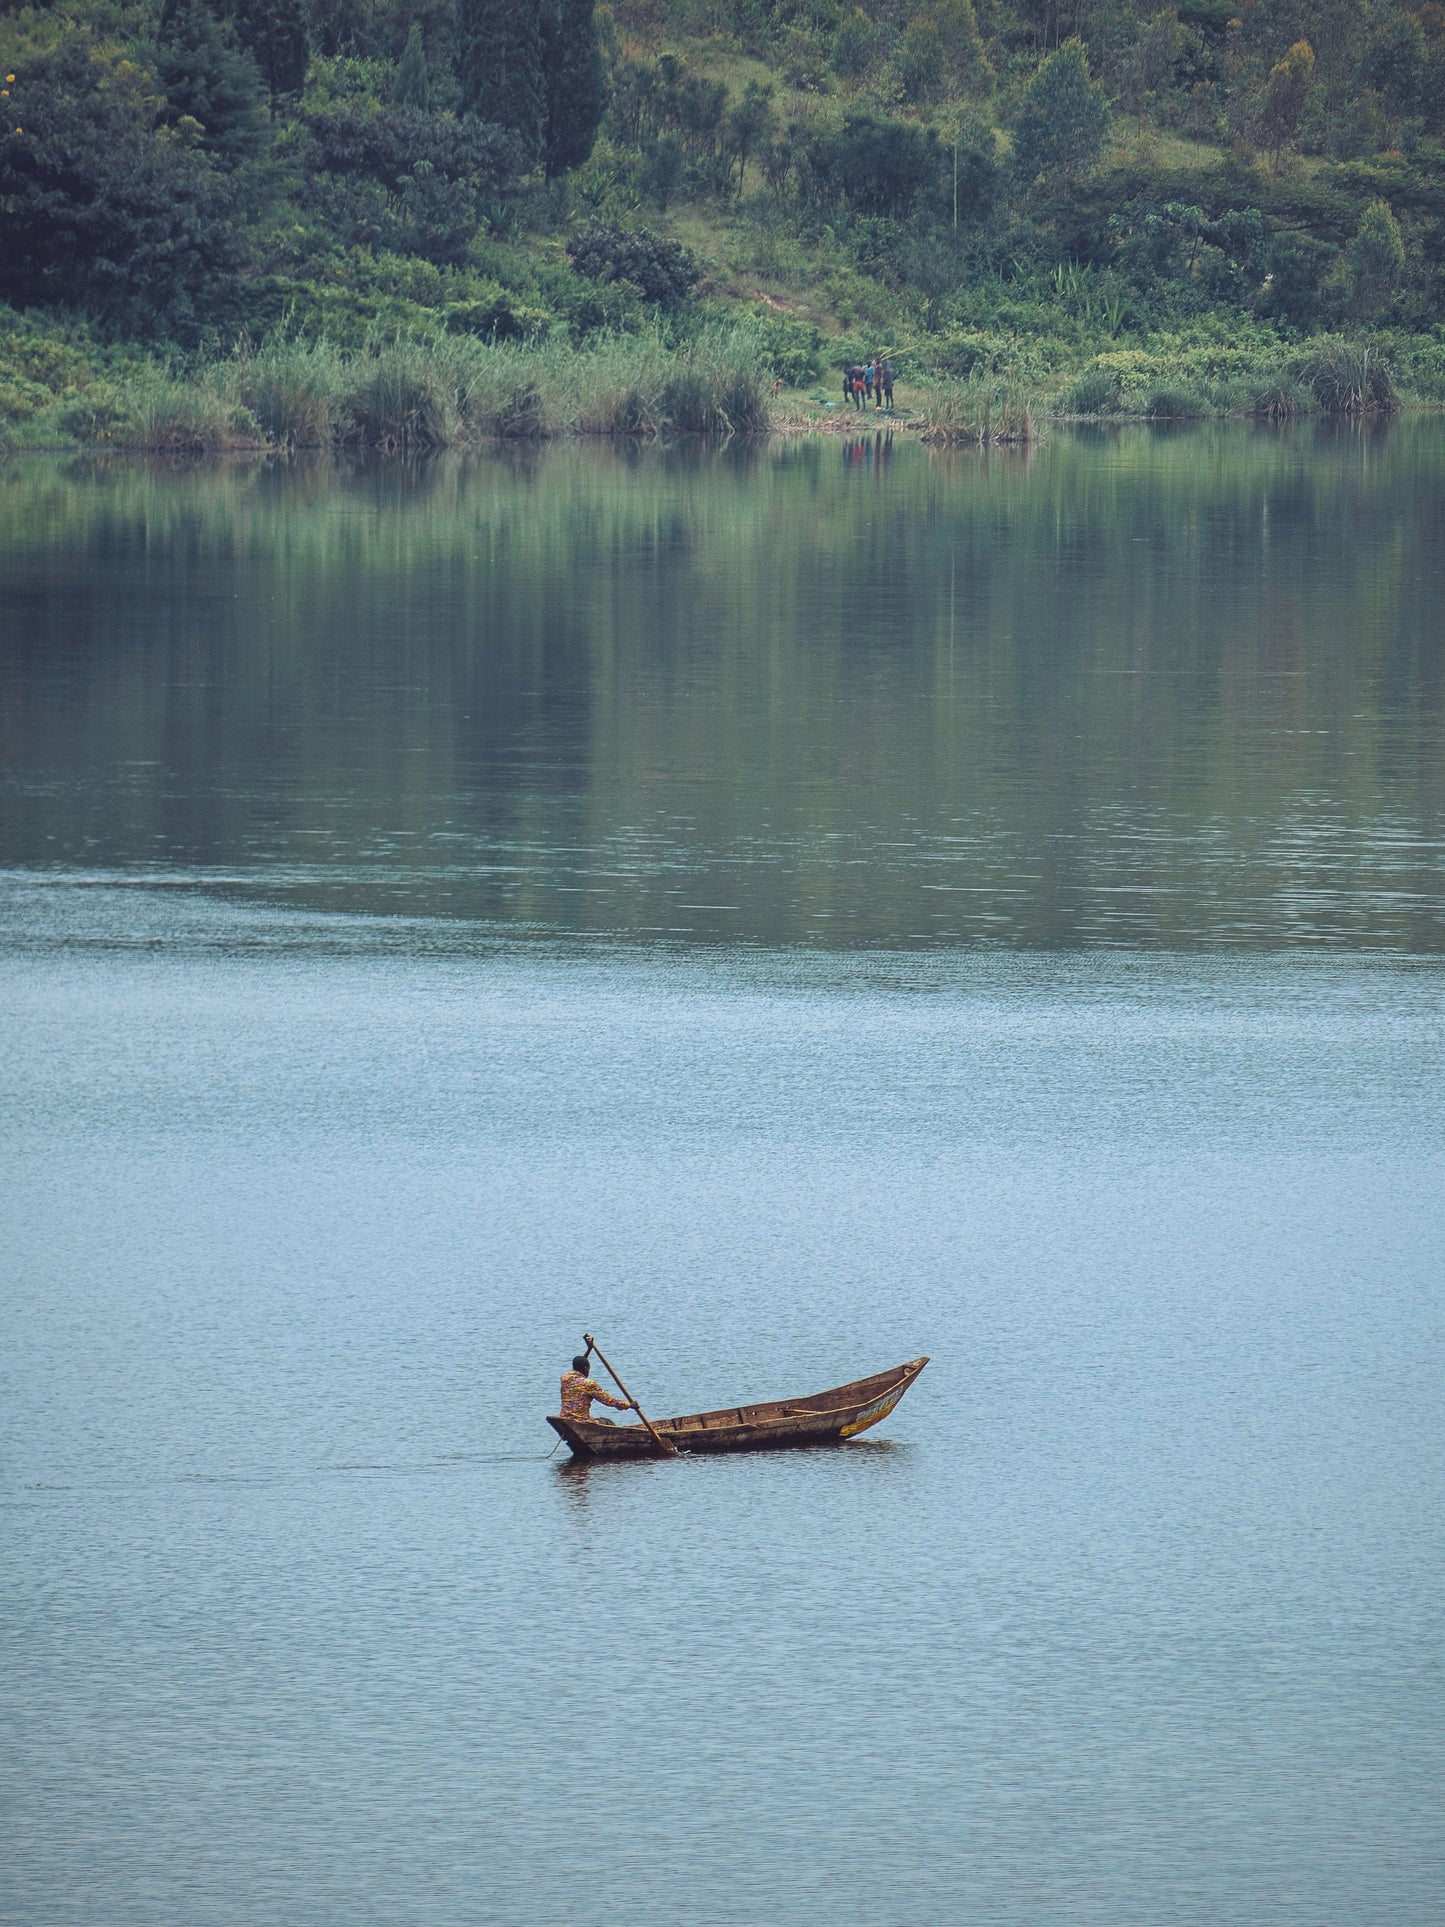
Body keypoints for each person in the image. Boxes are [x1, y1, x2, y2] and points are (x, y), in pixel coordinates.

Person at [560, 1352, 633, 1424]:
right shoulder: (589, 1384)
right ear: (585, 1369)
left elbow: (578, 1365)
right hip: (581, 1420)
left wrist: (589, 1349)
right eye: (588, 1369)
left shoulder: (565, 1379)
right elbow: (608, 1400)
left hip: (565, 1417)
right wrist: (628, 1405)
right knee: (608, 1422)